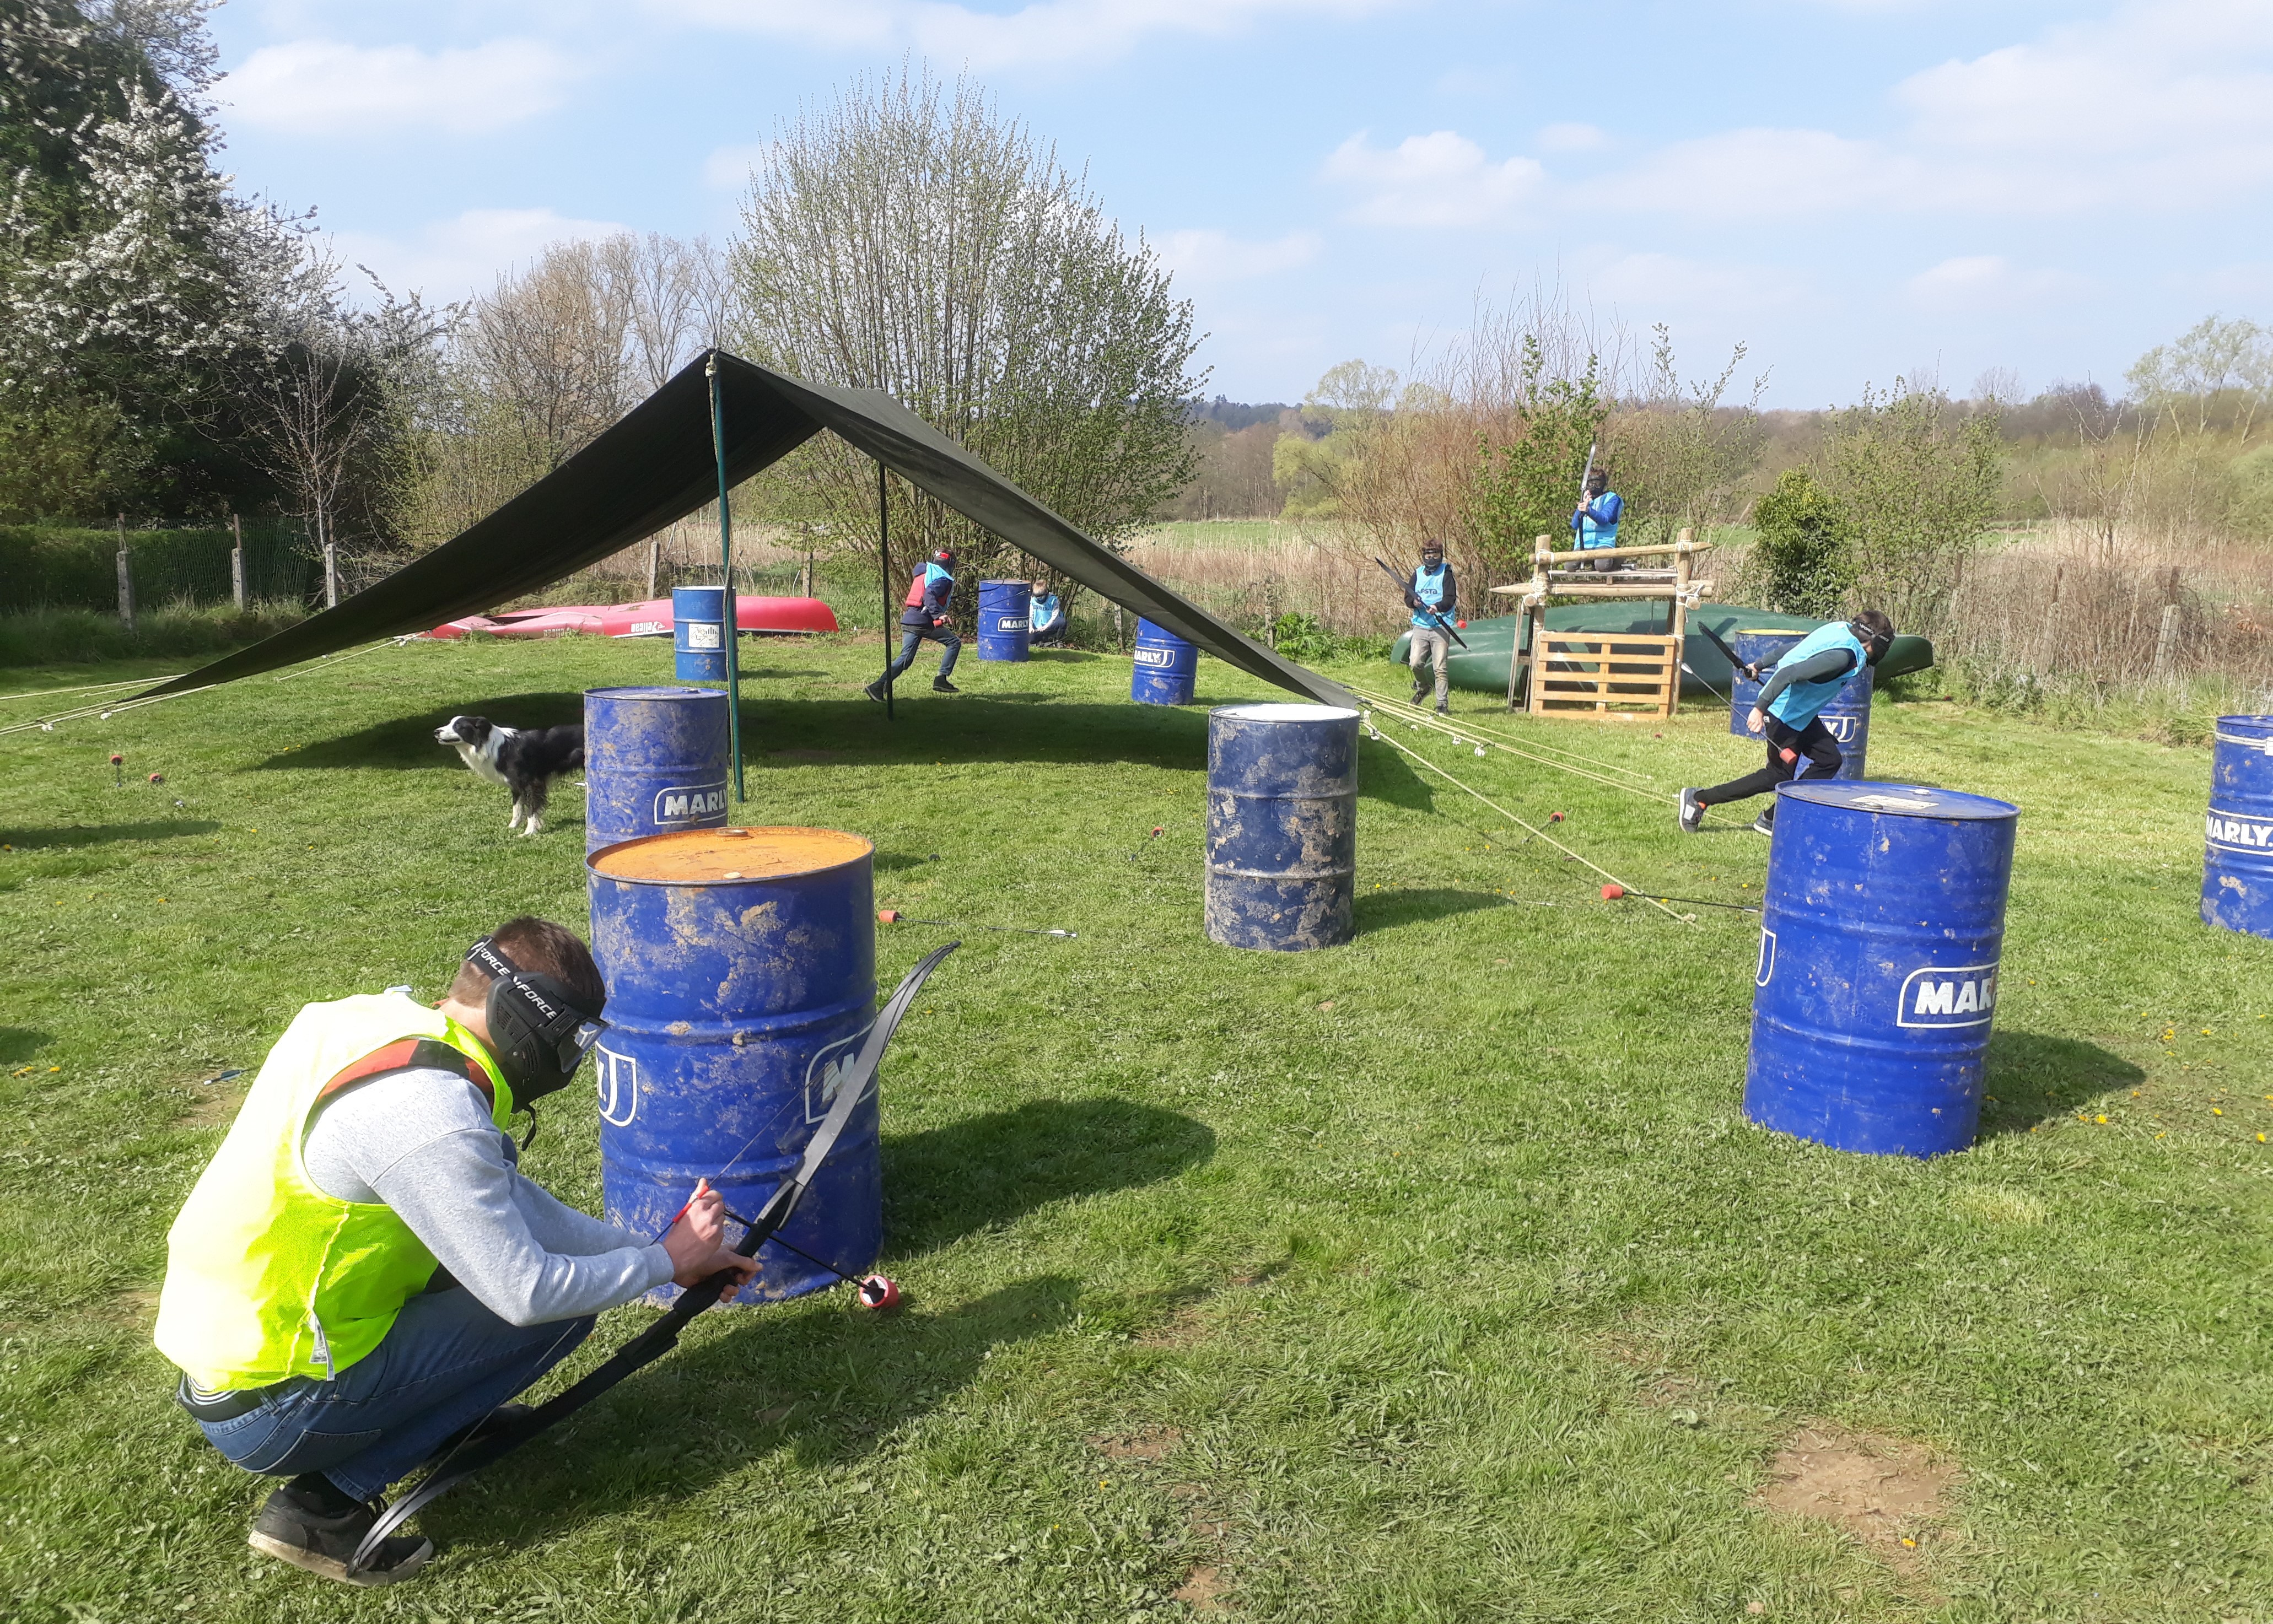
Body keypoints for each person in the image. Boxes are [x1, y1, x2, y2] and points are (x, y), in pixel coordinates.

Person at [152, 918, 758, 1586]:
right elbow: (526, 1291)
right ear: (530, 1023)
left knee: (481, 1261)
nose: (571, 1060)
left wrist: (661, 1250)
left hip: (242, 1352)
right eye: (570, 1039)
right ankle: (321, 1507)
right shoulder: (428, 1112)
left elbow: (511, 1206)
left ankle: (441, 1418)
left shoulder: (371, 1025)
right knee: (558, 1311)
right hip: (272, 1405)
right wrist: (664, 1264)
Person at [1678, 611, 1895, 835]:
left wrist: (1760, 664)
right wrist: (1759, 708)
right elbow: (1789, 673)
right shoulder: (1844, 657)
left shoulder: (1839, 629)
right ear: (1872, 641)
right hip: (1784, 714)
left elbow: (1796, 649)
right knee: (1777, 776)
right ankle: (1699, 799)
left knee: (1829, 760)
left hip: (1803, 714)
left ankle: (1774, 818)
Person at [866, 547, 961, 698]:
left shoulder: (925, 573)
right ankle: (941, 679)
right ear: (951, 564)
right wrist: (939, 614)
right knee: (954, 642)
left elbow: (926, 596)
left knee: (906, 659)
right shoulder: (942, 579)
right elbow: (929, 594)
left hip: (910, 619)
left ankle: (879, 686)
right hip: (921, 623)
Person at [1402, 539, 1458, 714]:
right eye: (1428, 555)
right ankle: (1423, 687)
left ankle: (1442, 705)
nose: (1432, 558)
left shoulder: (1446, 574)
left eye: (1435, 555)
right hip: (1420, 626)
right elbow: (1407, 599)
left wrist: (1437, 607)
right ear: (1423, 556)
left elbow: (1450, 599)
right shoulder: (1418, 574)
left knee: (1440, 668)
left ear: (1440, 556)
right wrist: (1415, 602)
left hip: (1441, 627)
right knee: (1415, 663)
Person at [1571, 468, 1624, 571]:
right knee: (1570, 566)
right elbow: (1574, 525)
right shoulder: (1587, 499)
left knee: (1602, 565)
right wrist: (1581, 506)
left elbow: (1604, 519)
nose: (1593, 486)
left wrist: (1588, 510)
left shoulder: (1612, 499)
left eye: (1597, 482)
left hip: (1603, 542)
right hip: (1584, 543)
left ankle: (1616, 560)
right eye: (1591, 482)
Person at [1027, 579, 1067, 647]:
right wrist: (1031, 628)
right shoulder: (1033, 600)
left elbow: (1055, 617)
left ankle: (1058, 641)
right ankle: (1043, 644)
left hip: (1049, 627)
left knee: (1063, 622)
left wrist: (1045, 627)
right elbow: (1031, 616)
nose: (1039, 599)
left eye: (1041, 597)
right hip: (1036, 629)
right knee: (1031, 640)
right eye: (1037, 597)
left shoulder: (1053, 600)